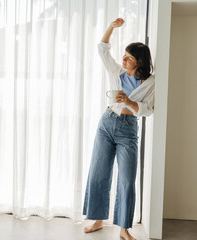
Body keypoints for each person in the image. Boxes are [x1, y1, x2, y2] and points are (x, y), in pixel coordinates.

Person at [82, 18, 155, 240]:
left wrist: (130, 103)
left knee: (126, 179)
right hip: (106, 123)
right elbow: (102, 49)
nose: (123, 59)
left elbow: (149, 110)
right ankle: (97, 220)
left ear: (139, 63)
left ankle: (124, 229)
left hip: (128, 128)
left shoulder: (151, 83)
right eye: (124, 55)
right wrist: (111, 28)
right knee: (99, 172)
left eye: (129, 58)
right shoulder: (116, 72)